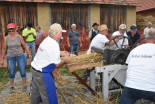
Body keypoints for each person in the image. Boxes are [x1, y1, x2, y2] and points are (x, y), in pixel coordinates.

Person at [30, 23, 70, 104]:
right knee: (49, 96)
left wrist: (63, 53)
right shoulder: (54, 44)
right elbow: (57, 65)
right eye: (60, 33)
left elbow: (51, 52)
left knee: (35, 94)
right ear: (55, 33)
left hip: (34, 70)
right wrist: (65, 61)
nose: (61, 35)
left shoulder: (47, 39)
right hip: (42, 73)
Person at [119, 29, 155, 104]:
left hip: (131, 87)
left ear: (145, 38)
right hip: (151, 89)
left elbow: (128, 64)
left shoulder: (135, 50)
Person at [1, 23, 31, 91]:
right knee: (11, 71)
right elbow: (4, 49)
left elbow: (24, 45)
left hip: (20, 55)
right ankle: (11, 86)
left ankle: (24, 85)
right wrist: (2, 59)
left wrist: (29, 54)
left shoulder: (19, 37)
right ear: (8, 31)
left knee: (22, 70)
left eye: (12, 31)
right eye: (9, 31)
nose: (11, 32)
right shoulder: (6, 38)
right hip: (10, 56)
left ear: (15, 30)